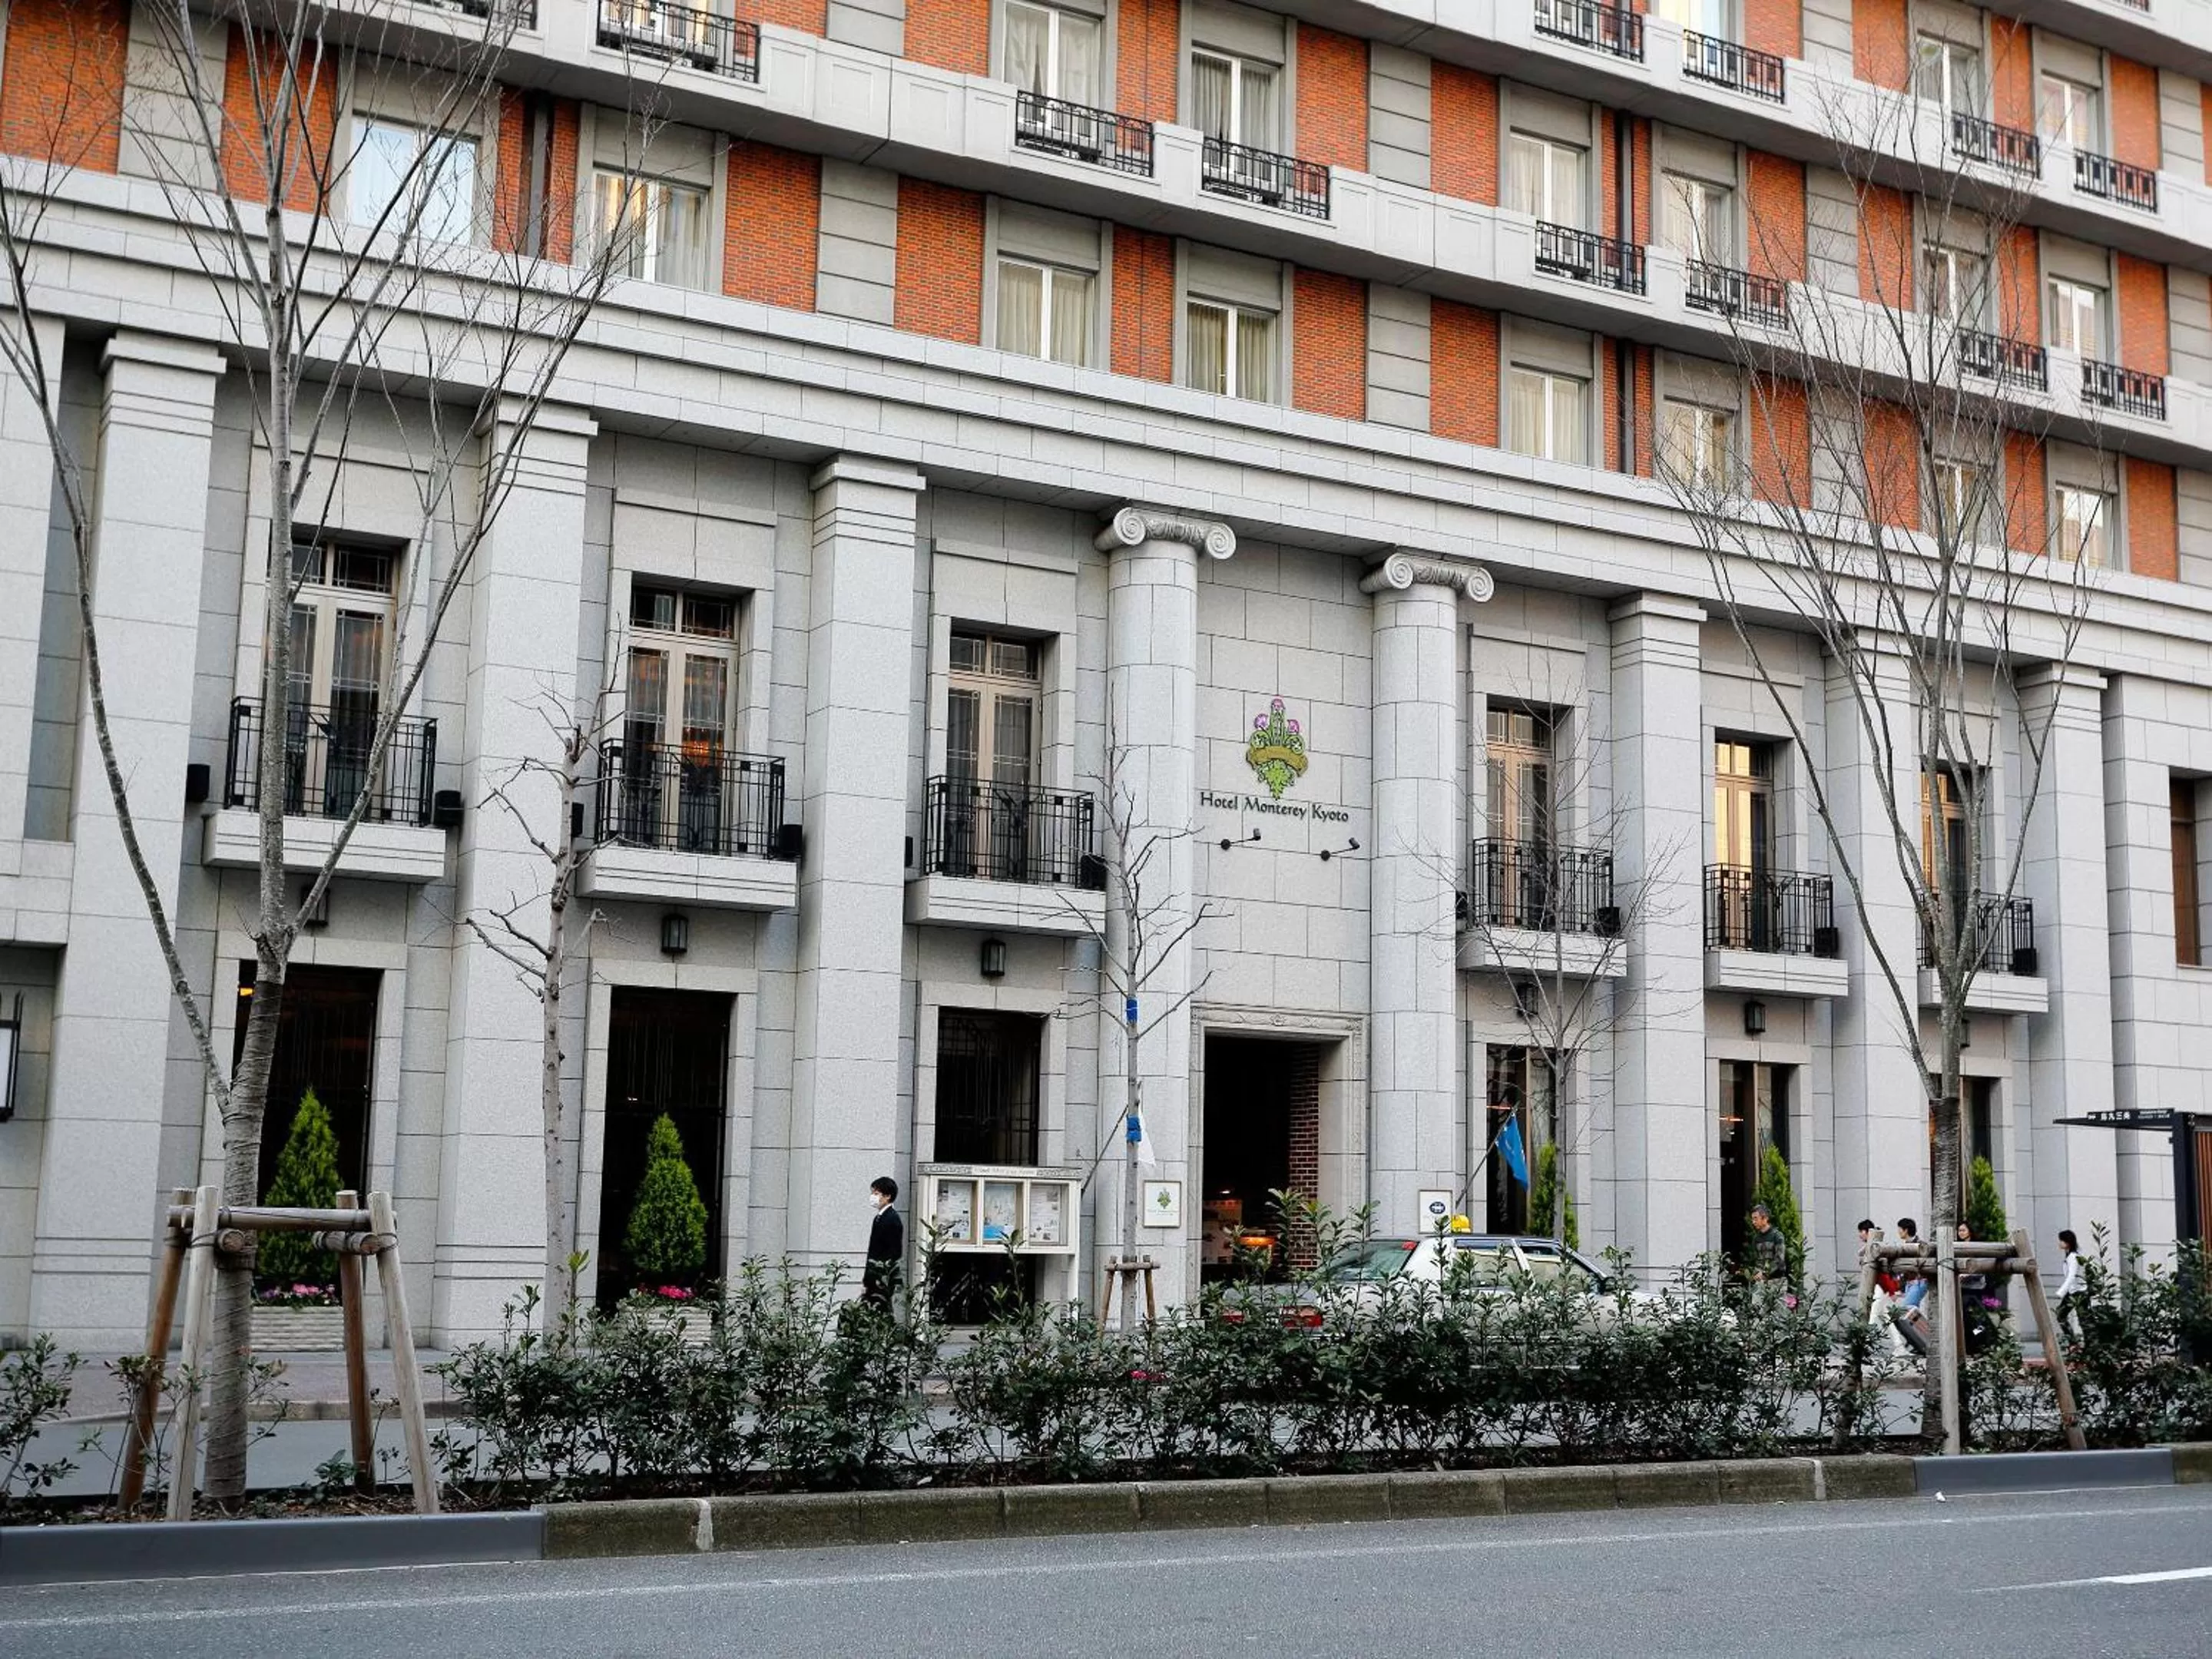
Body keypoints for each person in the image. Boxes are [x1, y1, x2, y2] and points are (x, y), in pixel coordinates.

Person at [863, 1174, 904, 1310]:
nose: (873, 1197)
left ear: (888, 1196)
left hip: (881, 1279)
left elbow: (894, 1252)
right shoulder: (879, 1218)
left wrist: (883, 1277)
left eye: (877, 1193)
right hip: (874, 1277)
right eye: (873, 1193)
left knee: (880, 1311)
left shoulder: (892, 1219)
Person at [1745, 1203, 1787, 1284]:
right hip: (1761, 1281)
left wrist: (1764, 1273)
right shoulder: (1756, 1239)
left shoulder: (1777, 1236)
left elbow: (1779, 1260)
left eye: (1756, 1219)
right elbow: (1757, 1260)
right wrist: (1755, 1274)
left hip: (1777, 1281)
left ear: (1765, 1218)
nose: (1753, 1222)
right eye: (1752, 1219)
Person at [2055, 1228, 2085, 1337]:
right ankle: (2073, 1342)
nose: (2059, 1243)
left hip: (2079, 1293)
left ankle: (2088, 1345)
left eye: (2061, 1240)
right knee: (2060, 1315)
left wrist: (2061, 1292)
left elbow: (2071, 1276)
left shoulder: (2073, 1257)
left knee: (2084, 1321)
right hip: (2072, 1291)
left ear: (2068, 1243)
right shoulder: (2070, 1256)